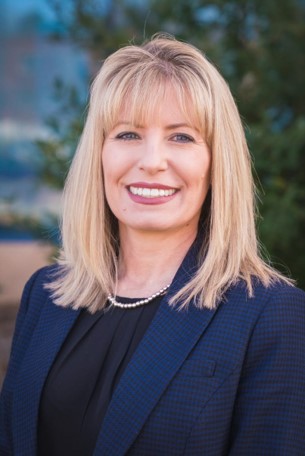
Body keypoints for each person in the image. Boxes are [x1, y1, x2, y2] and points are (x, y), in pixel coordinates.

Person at [1, 33, 305, 456]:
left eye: (181, 137)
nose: (152, 160)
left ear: (217, 163)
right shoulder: (46, 296)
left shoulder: (271, 315)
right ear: (100, 155)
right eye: (127, 134)